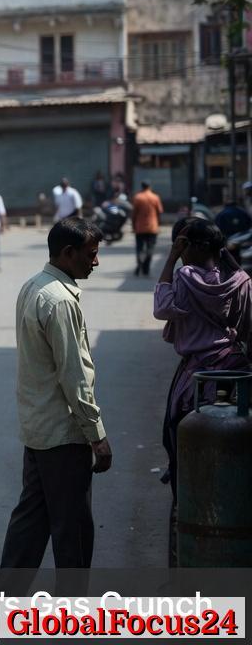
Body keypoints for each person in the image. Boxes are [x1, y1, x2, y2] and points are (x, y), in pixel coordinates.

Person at [0, 218, 112, 575]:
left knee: (30, 524)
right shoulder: (60, 301)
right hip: (63, 435)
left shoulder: (34, 286)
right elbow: (74, 377)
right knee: (73, 532)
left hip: (38, 430)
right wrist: (97, 436)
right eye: (91, 255)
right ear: (68, 253)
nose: (95, 263)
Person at [154, 219, 252, 566]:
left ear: (192, 247)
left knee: (175, 436)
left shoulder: (184, 278)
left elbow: (162, 307)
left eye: (182, 245)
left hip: (198, 373)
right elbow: (246, 327)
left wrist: (170, 258)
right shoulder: (240, 280)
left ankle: (185, 503)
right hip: (235, 368)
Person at [131, 181, 165, 277]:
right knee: (150, 248)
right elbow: (159, 212)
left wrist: (133, 226)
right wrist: (159, 224)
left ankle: (139, 264)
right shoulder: (155, 197)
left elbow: (134, 214)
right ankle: (146, 268)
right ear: (150, 187)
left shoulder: (138, 197)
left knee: (139, 248)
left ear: (142, 187)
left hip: (140, 227)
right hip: (152, 227)